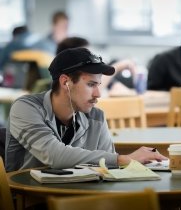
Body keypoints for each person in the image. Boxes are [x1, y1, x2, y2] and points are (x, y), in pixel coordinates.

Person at [5, 48, 166, 171]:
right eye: (91, 84)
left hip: (79, 198)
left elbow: (109, 169)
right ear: (65, 82)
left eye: (98, 85)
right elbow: (54, 155)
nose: (98, 94)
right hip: (30, 201)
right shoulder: (25, 108)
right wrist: (122, 159)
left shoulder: (96, 117)